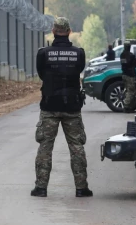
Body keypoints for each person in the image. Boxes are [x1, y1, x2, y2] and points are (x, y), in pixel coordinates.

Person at [32, 17, 92, 198]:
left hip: (50, 106)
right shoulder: (79, 53)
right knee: (76, 146)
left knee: (45, 146)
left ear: (53, 31)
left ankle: (41, 188)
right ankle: (81, 188)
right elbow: (79, 69)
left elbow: (42, 75)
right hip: (72, 107)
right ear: (69, 31)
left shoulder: (43, 53)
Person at [120, 42, 136, 112]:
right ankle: (126, 106)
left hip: (124, 74)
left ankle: (130, 106)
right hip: (130, 75)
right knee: (131, 91)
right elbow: (135, 64)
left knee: (130, 91)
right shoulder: (131, 55)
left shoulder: (122, 55)